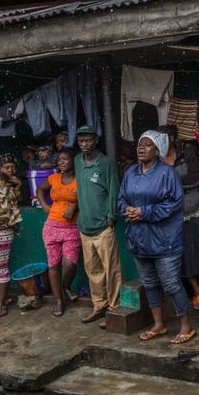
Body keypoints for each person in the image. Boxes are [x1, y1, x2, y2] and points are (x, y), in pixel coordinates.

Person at [119, 130, 195, 344]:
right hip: (139, 238)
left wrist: (144, 212)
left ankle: (186, 326)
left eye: (147, 145)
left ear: (158, 150)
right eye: (139, 145)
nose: (141, 148)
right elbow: (121, 199)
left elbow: (174, 204)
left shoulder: (167, 173)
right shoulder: (131, 173)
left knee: (171, 283)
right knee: (150, 283)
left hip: (164, 239)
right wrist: (128, 211)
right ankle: (159, 325)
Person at [158, 125, 199, 310]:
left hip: (197, 210)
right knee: (187, 256)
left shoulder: (188, 156)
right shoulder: (157, 160)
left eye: (163, 137)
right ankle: (196, 292)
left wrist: (167, 185)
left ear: (172, 138)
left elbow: (193, 180)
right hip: (174, 215)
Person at [75, 125, 122, 325]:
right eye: (81, 141)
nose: (84, 144)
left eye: (88, 140)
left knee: (111, 269)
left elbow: (114, 189)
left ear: (96, 140)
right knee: (92, 270)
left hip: (103, 225)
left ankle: (115, 309)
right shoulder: (77, 161)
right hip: (84, 225)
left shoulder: (107, 163)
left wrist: (111, 215)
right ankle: (99, 305)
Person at [37, 148, 81, 316]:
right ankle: (58, 300)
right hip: (52, 226)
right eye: (59, 159)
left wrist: (74, 206)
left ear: (73, 161)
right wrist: (45, 206)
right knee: (53, 264)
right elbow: (40, 190)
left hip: (72, 227)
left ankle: (66, 286)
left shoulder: (80, 179)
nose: (61, 162)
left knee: (70, 263)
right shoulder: (53, 178)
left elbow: (86, 197)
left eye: (65, 159)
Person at [0, 152, 22, 317]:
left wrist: (18, 186)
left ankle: (2, 303)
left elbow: (9, 210)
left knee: (1, 269)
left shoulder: (6, 186)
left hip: (0, 230)